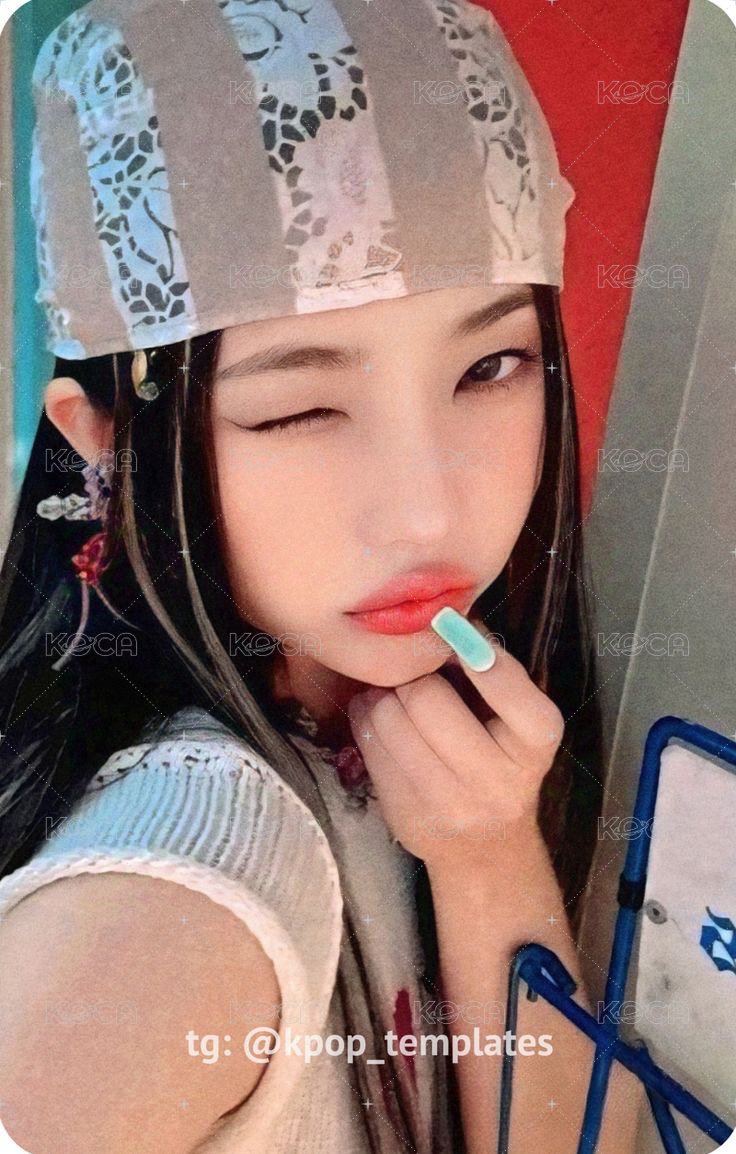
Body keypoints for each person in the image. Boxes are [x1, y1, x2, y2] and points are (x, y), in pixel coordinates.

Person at [0, 0, 643, 1151]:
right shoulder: (169, 899)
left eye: (490, 365)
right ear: (106, 446)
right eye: (299, 407)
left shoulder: (417, 740)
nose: (427, 509)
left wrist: (487, 850)